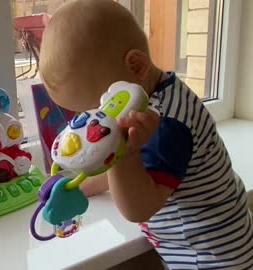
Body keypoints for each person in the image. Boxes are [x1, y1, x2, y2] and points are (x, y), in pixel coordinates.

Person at [39, 0, 253, 269]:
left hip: (210, 257)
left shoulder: (165, 124)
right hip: (211, 243)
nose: (96, 124)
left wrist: (123, 156)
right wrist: (80, 186)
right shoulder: (159, 93)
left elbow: (138, 208)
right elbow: (137, 168)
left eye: (100, 105)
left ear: (136, 66)